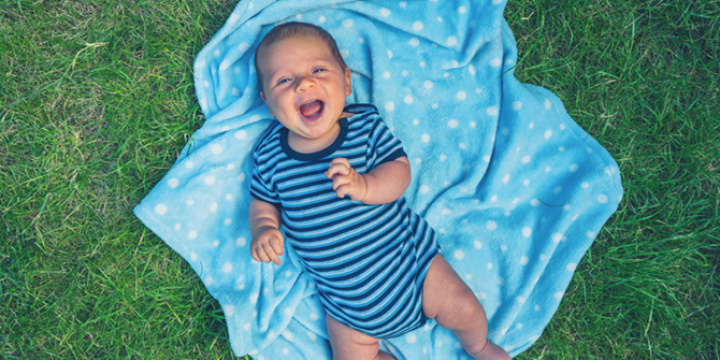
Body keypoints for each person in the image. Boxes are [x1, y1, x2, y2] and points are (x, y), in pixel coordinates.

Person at [248, 21, 511, 360]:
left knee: (462, 306)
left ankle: (478, 345)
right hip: (348, 309)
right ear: (268, 102)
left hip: (412, 268)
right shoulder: (269, 154)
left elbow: (400, 171)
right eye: (284, 80)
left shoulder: (363, 127)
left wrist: (365, 185)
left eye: (317, 69)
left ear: (345, 81)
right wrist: (264, 228)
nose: (305, 83)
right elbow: (262, 202)